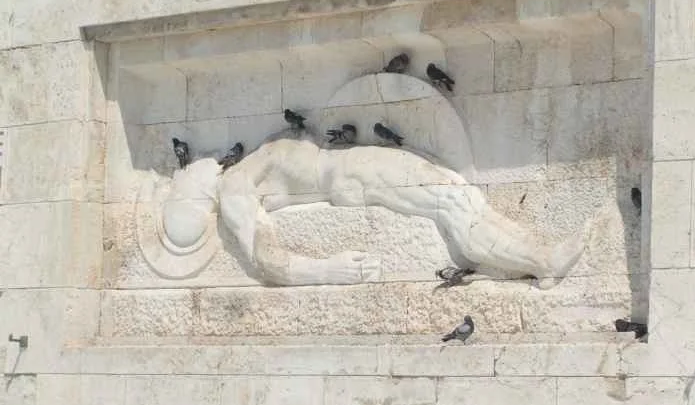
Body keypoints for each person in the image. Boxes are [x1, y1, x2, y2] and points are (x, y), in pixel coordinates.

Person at [163, 131, 592, 287]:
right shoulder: (236, 190)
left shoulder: (252, 160)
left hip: (356, 167)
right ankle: (541, 262)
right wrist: (327, 270)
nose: (197, 164)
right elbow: (266, 259)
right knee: (452, 201)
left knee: (458, 194)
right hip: (353, 175)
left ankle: (527, 258)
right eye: (187, 179)